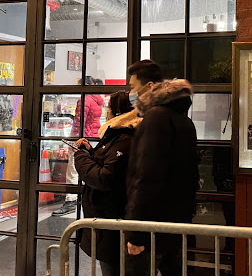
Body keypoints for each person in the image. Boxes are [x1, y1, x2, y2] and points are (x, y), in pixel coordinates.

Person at [125, 60, 199, 276]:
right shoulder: (184, 120)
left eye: (132, 87)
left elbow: (146, 177)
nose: (130, 92)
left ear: (148, 87)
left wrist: (136, 233)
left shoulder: (155, 118)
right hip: (176, 226)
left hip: (151, 230)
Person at [73, 91, 142, 276]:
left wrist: (80, 156)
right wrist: (90, 152)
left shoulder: (125, 138)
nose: (106, 111)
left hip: (113, 222)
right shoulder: (117, 135)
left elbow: (104, 177)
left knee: (113, 269)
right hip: (110, 223)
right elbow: (108, 163)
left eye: (109, 108)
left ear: (118, 112)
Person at [52, 76, 104, 217]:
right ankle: (85, 198)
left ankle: (71, 200)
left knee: (73, 170)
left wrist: (73, 141)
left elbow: (79, 122)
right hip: (93, 137)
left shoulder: (84, 99)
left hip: (82, 138)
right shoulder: (97, 99)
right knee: (88, 167)